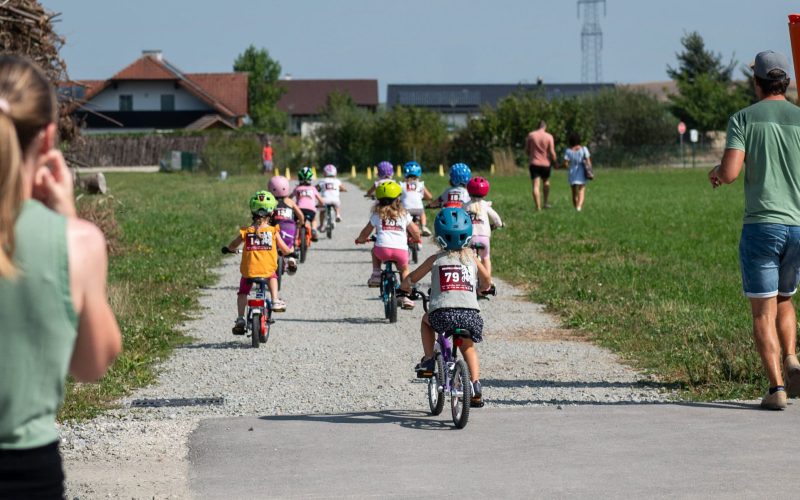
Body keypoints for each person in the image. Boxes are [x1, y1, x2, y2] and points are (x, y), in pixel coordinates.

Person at [0, 55, 122, 497]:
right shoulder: (77, 243)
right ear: (50, 136)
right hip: (25, 474)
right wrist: (68, 218)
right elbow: (92, 363)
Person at [709, 50, 800, 410]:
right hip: (798, 225)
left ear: (757, 82)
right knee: (786, 298)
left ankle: (776, 388)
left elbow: (730, 173)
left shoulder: (743, 119)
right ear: (786, 82)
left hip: (763, 225)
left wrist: (717, 171)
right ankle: (792, 355)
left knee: (763, 311)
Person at [399, 207, 494, 408]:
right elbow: (487, 280)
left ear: (439, 237)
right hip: (470, 315)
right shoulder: (473, 259)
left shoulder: (435, 259)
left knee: (426, 321)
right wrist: (485, 288)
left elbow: (412, 278)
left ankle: (429, 359)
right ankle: (475, 386)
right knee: (468, 347)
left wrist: (405, 287)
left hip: (442, 314)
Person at [224, 191, 292, 334]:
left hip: (249, 272)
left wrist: (229, 249)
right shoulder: (273, 231)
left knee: (243, 292)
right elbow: (284, 249)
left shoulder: (246, 231)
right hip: (267, 271)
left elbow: (232, 246)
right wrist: (289, 251)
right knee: (272, 275)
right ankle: (274, 299)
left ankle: (241, 318)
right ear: (271, 212)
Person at [355, 181, 420, 309]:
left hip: (382, 250)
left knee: (374, 251)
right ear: (398, 199)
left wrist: (361, 239)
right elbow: (416, 232)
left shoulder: (377, 215)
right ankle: (405, 296)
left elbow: (365, 232)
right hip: (401, 252)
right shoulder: (404, 214)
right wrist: (416, 239)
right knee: (404, 270)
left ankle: (376, 274)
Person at [464, 176, 503, 278]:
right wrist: (498, 225)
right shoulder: (485, 205)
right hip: (484, 237)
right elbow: (497, 219)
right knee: (486, 258)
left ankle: (469, 279)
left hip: (470, 237)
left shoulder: (465, 206)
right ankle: (487, 281)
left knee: (468, 259)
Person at [268, 175, 304, 274]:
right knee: (290, 244)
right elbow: (300, 215)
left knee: (273, 245)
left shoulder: (270, 203)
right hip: (289, 228)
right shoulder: (290, 201)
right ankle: (291, 259)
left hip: (275, 229)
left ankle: (272, 262)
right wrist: (301, 223)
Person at [525, 120, 557, 210]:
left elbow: (527, 150)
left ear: (537, 126)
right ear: (545, 127)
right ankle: (545, 202)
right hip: (546, 163)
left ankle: (538, 207)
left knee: (536, 185)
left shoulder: (531, 135)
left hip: (534, 163)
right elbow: (552, 152)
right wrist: (555, 162)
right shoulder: (549, 136)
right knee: (546, 182)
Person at [400, 161, 433, 236]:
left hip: (406, 210)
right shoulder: (420, 184)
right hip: (418, 210)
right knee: (422, 212)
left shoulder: (402, 185)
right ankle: (424, 226)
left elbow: (398, 196)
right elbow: (429, 197)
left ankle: (403, 229)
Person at [293, 166, 325, 242]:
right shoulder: (313, 188)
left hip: (299, 209)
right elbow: (321, 201)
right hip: (311, 209)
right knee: (313, 219)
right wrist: (320, 205)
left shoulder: (297, 188)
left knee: (297, 222)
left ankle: (295, 235)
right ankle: (313, 229)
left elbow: (289, 198)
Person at [562, 132, 591, 212]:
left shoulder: (568, 151)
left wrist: (568, 167)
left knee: (574, 192)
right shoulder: (584, 149)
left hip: (572, 171)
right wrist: (589, 170)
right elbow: (588, 162)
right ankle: (579, 207)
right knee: (581, 190)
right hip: (581, 170)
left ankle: (576, 208)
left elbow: (565, 163)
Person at [316, 163, 346, 230]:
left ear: (324, 173)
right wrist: (342, 190)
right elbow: (343, 188)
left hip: (324, 200)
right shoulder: (337, 181)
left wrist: (318, 190)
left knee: (322, 211)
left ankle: (321, 225)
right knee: (337, 205)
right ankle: (338, 215)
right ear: (335, 173)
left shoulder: (322, 181)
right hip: (335, 200)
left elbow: (316, 188)